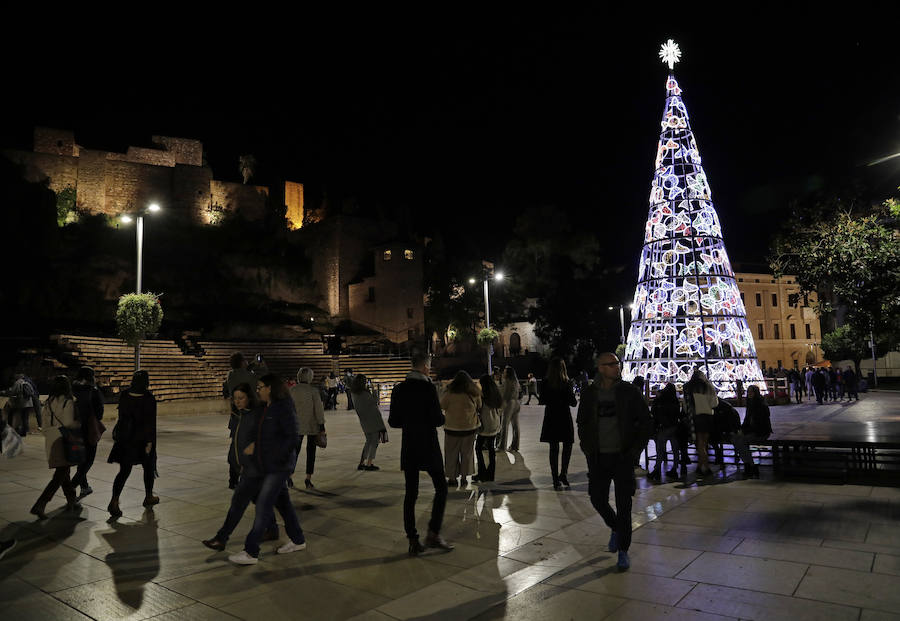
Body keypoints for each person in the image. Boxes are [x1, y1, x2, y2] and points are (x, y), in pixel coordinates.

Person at [576, 352, 651, 572]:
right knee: (597, 498)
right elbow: (582, 421)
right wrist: (586, 445)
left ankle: (623, 551)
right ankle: (615, 527)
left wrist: (635, 450)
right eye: (610, 364)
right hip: (598, 456)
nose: (616, 367)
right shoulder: (590, 394)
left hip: (622, 456)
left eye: (617, 364)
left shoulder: (629, 392)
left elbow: (646, 421)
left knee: (624, 504)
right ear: (600, 368)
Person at [229, 374, 306, 565]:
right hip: (268, 465)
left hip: (278, 467)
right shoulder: (265, 407)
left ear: (270, 388)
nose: (258, 390)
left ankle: (251, 552)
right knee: (284, 505)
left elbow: (292, 438)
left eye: (261, 387)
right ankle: (298, 540)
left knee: (263, 506)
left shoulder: (284, 408)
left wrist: (276, 458)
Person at [388, 351, 453, 556]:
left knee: (411, 494)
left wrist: (410, 420)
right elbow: (437, 420)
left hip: (410, 446)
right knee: (441, 488)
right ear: (425, 366)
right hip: (428, 444)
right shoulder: (427, 388)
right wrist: (440, 417)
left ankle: (413, 539)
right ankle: (433, 533)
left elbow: (394, 422)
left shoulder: (399, 389)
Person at [203, 383, 278, 551]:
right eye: (235, 398)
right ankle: (272, 529)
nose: (237, 401)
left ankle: (221, 538)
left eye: (241, 398)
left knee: (237, 504)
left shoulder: (256, 416)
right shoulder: (239, 415)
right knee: (259, 501)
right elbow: (236, 443)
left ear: (249, 397)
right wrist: (233, 465)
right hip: (242, 467)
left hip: (253, 469)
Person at [107, 370, 158, 518]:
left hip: (125, 439)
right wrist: (150, 442)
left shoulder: (124, 395)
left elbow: (121, 416)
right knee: (148, 468)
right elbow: (150, 422)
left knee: (124, 471)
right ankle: (148, 496)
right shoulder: (148, 398)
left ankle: (114, 500)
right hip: (142, 440)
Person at [31, 375, 82, 519]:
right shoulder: (68, 401)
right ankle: (40, 504)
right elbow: (68, 423)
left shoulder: (48, 401)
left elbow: (45, 424)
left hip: (51, 438)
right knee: (60, 474)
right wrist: (78, 425)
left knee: (63, 471)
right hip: (63, 439)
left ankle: (71, 500)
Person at [539, 357, 577, 490]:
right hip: (564, 417)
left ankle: (555, 478)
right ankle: (563, 473)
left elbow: (542, 400)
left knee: (553, 449)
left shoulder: (545, 383)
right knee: (567, 446)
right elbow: (573, 402)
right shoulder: (567, 383)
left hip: (551, 417)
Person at [440, 371, 482, 487]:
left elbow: (442, 405)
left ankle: (452, 478)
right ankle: (464, 477)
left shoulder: (450, 392)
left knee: (451, 453)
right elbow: (479, 406)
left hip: (452, 428)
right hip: (470, 427)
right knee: (467, 454)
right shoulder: (474, 392)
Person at [288, 367, 325, 489]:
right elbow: (319, 410)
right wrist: (322, 425)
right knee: (311, 453)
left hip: (295, 426)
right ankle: (308, 479)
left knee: (294, 452)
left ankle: (289, 476)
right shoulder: (313, 391)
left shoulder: (292, 390)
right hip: (311, 426)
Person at [71, 366, 105, 498]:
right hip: (88, 429)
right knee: (89, 459)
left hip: (73, 429)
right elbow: (100, 414)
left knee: (80, 458)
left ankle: (84, 487)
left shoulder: (72, 389)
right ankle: (72, 485)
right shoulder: (93, 390)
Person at [731, 385, 772, 479]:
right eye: (748, 392)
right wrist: (740, 430)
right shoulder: (750, 404)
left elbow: (759, 424)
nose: (749, 394)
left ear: (756, 393)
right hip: (752, 431)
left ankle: (750, 465)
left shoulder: (761, 405)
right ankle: (750, 464)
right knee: (734, 439)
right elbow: (746, 421)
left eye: (751, 392)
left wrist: (745, 432)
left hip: (761, 432)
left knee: (741, 441)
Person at [684, 370, 718, 477]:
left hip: (695, 417)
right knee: (704, 443)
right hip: (707, 416)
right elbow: (714, 403)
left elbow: (686, 405)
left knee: (700, 443)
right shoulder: (709, 387)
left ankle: (702, 467)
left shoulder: (688, 387)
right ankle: (705, 467)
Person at [351, 373, 386, 471]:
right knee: (374, 442)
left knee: (368, 441)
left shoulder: (353, 393)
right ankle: (369, 464)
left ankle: (361, 462)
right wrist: (374, 390)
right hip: (373, 420)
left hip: (364, 420)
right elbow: (375, 401)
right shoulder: (365, 393)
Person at [648, 383, 682, 481]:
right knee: (675, 449)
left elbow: (654, 411)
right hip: (674, 427)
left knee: (660, 449)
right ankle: (675, 468)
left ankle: (657, 469)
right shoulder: (674, 399)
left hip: (663, 427)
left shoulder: (660, 399)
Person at [473, 374, 502, 482]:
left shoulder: (482, 395)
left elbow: (478, 408)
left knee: (478, 448)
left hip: (485, 424)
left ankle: (482, 473)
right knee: (491, 449)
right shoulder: (495, 393)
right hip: (494, 423)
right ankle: (490, 475)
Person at [499, 366, 521, 451]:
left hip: (510, 403)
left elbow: (505, 395)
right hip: (517, 402)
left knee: (504, 425)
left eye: (504, 372)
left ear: (508, 373)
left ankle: (502, 446)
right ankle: (515, 445)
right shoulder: (516, 381)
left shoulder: (507, 381)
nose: (503, 373)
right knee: (516, 426)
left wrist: (502, 406)